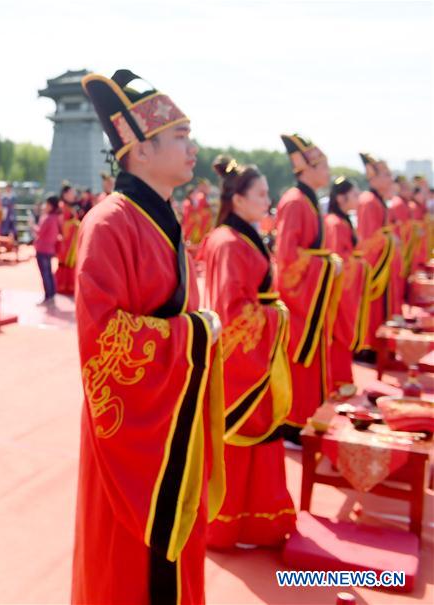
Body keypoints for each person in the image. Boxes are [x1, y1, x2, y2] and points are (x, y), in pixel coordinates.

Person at [73, 69, 224, 605]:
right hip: (131, 442)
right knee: (129, 574)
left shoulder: (163, 218)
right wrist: (197, 333)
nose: (193, 148)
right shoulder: (109, 224)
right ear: (139, 149)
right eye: (180, 136)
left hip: (171, 423)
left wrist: (190, 336)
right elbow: (103, 342)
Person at [202, 155, 294, 549]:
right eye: (261, 194)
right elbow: (232, 312)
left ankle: (255, 522)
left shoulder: (239, 237)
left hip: (257, 357)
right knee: (242, 434)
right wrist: (277, 316)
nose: (267, 200)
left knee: (258, 434)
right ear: (237, 199)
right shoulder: (229, 243)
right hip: (240, 362)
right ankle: (230, 525)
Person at [275, 134, 341, 442]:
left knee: (312, 362)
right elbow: (288, 258)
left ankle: (307, 419)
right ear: (308, 169)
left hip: (312, 297)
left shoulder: (308, 200)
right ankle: (293, 424)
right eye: (323, 166)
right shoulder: (294, 201)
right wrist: (325, 265)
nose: (328, 171)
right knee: (299, 361)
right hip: (299, 300)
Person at [324, 177, 371, 392]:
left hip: (345, 288)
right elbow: (338, 260)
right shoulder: (335, 224)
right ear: (341, 198)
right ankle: (336, 382)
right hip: (339, 290)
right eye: (354, 194)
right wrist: (359, 265)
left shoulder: (342, 221)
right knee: (338, 333)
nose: (358, 197)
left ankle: (341, 379)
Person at [355, 152, 400, 357]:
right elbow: (367, 239)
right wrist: (389, 239)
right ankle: (369, 346)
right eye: (386, 174)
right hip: (374, 266)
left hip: (384, 264)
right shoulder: (369, 201)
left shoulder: (378, 200)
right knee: (372, 308)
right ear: (374, 178)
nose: (390, 178)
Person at [32, 195, 60, 305]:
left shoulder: (48, 218)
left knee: (45, 274)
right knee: (49, 272)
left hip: (42, 249)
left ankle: (48, 296)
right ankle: (51, 295)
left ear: (50, 206)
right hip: (49, 249)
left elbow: (39, 231)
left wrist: (32, 225)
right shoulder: (55, 218)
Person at [54, 196, 80, 296]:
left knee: (68, 263)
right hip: (67, 241)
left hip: (70, 241)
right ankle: (63, 285)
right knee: (64, 263)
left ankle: (67, 286)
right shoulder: (64, 213)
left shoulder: (69, 214)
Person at [182, 178, 213, 246]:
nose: (208, 188)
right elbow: (197, 212)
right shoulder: (200, 197)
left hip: (203, 224)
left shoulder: (203, 197)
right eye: (206, 186)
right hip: (198, 225)